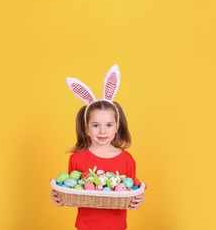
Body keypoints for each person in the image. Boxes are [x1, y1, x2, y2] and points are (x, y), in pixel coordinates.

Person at [51, 65, 145, 230]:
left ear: (117, 127)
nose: (102, 131)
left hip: (117, 227)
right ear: (86, 128)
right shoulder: (77, 158)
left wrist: (139, 197)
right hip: (85, 227)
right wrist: (58, 194)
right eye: (95, 125)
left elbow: (131, 188)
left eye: (108, 125)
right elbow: (72, 188)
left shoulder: (127, 160)